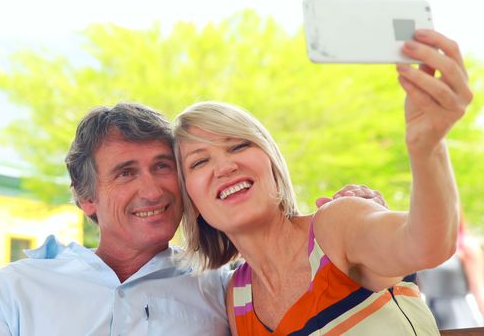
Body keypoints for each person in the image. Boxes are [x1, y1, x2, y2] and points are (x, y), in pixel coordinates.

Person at [0, 103, 385, 335]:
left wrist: (359, 221)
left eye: (163, 167)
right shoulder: (14, 291)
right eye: (126, 173)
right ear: (86, 200)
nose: (153, 189)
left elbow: (325, 283)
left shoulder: (227, 288)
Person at [172, 29, 472, 335]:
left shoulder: (336, 227)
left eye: (238, 146)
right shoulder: (236, 298)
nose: (225, 166)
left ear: (272, 164)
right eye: (199, 162)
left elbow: (427, 245)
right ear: (191, 203)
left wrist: (428, 147)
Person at [419, 214, 484, 329]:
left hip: (458, 314)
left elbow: (479, 290)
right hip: (428, 311)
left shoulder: (466, 246)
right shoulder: (422, 249)